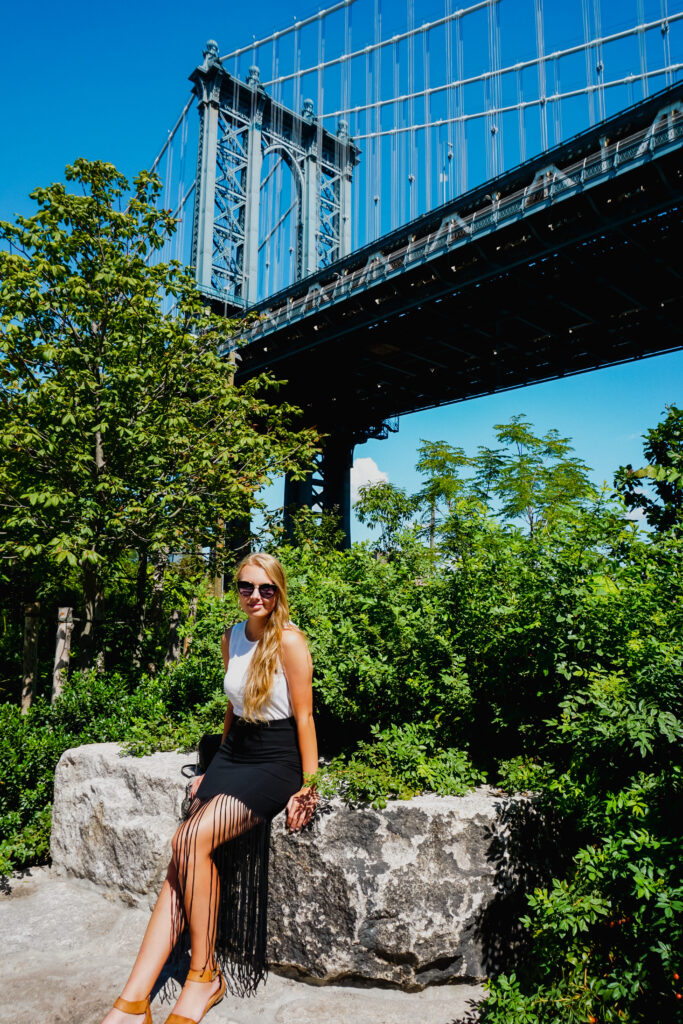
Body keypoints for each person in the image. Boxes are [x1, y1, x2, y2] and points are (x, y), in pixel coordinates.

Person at [102, 551, 319, 1024]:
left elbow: (303, 717)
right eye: (246, 587)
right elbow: (233, 707)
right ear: (237, 589)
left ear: (279, 592)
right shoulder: (232, 637)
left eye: (266, 589)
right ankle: (135, 998)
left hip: (276, 760)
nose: (255, 596)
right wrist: (214, 764)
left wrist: (309, 785)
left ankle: (204, 975)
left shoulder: (290, 642)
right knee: (183, 854)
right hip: (234, 754)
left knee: (190, 838)